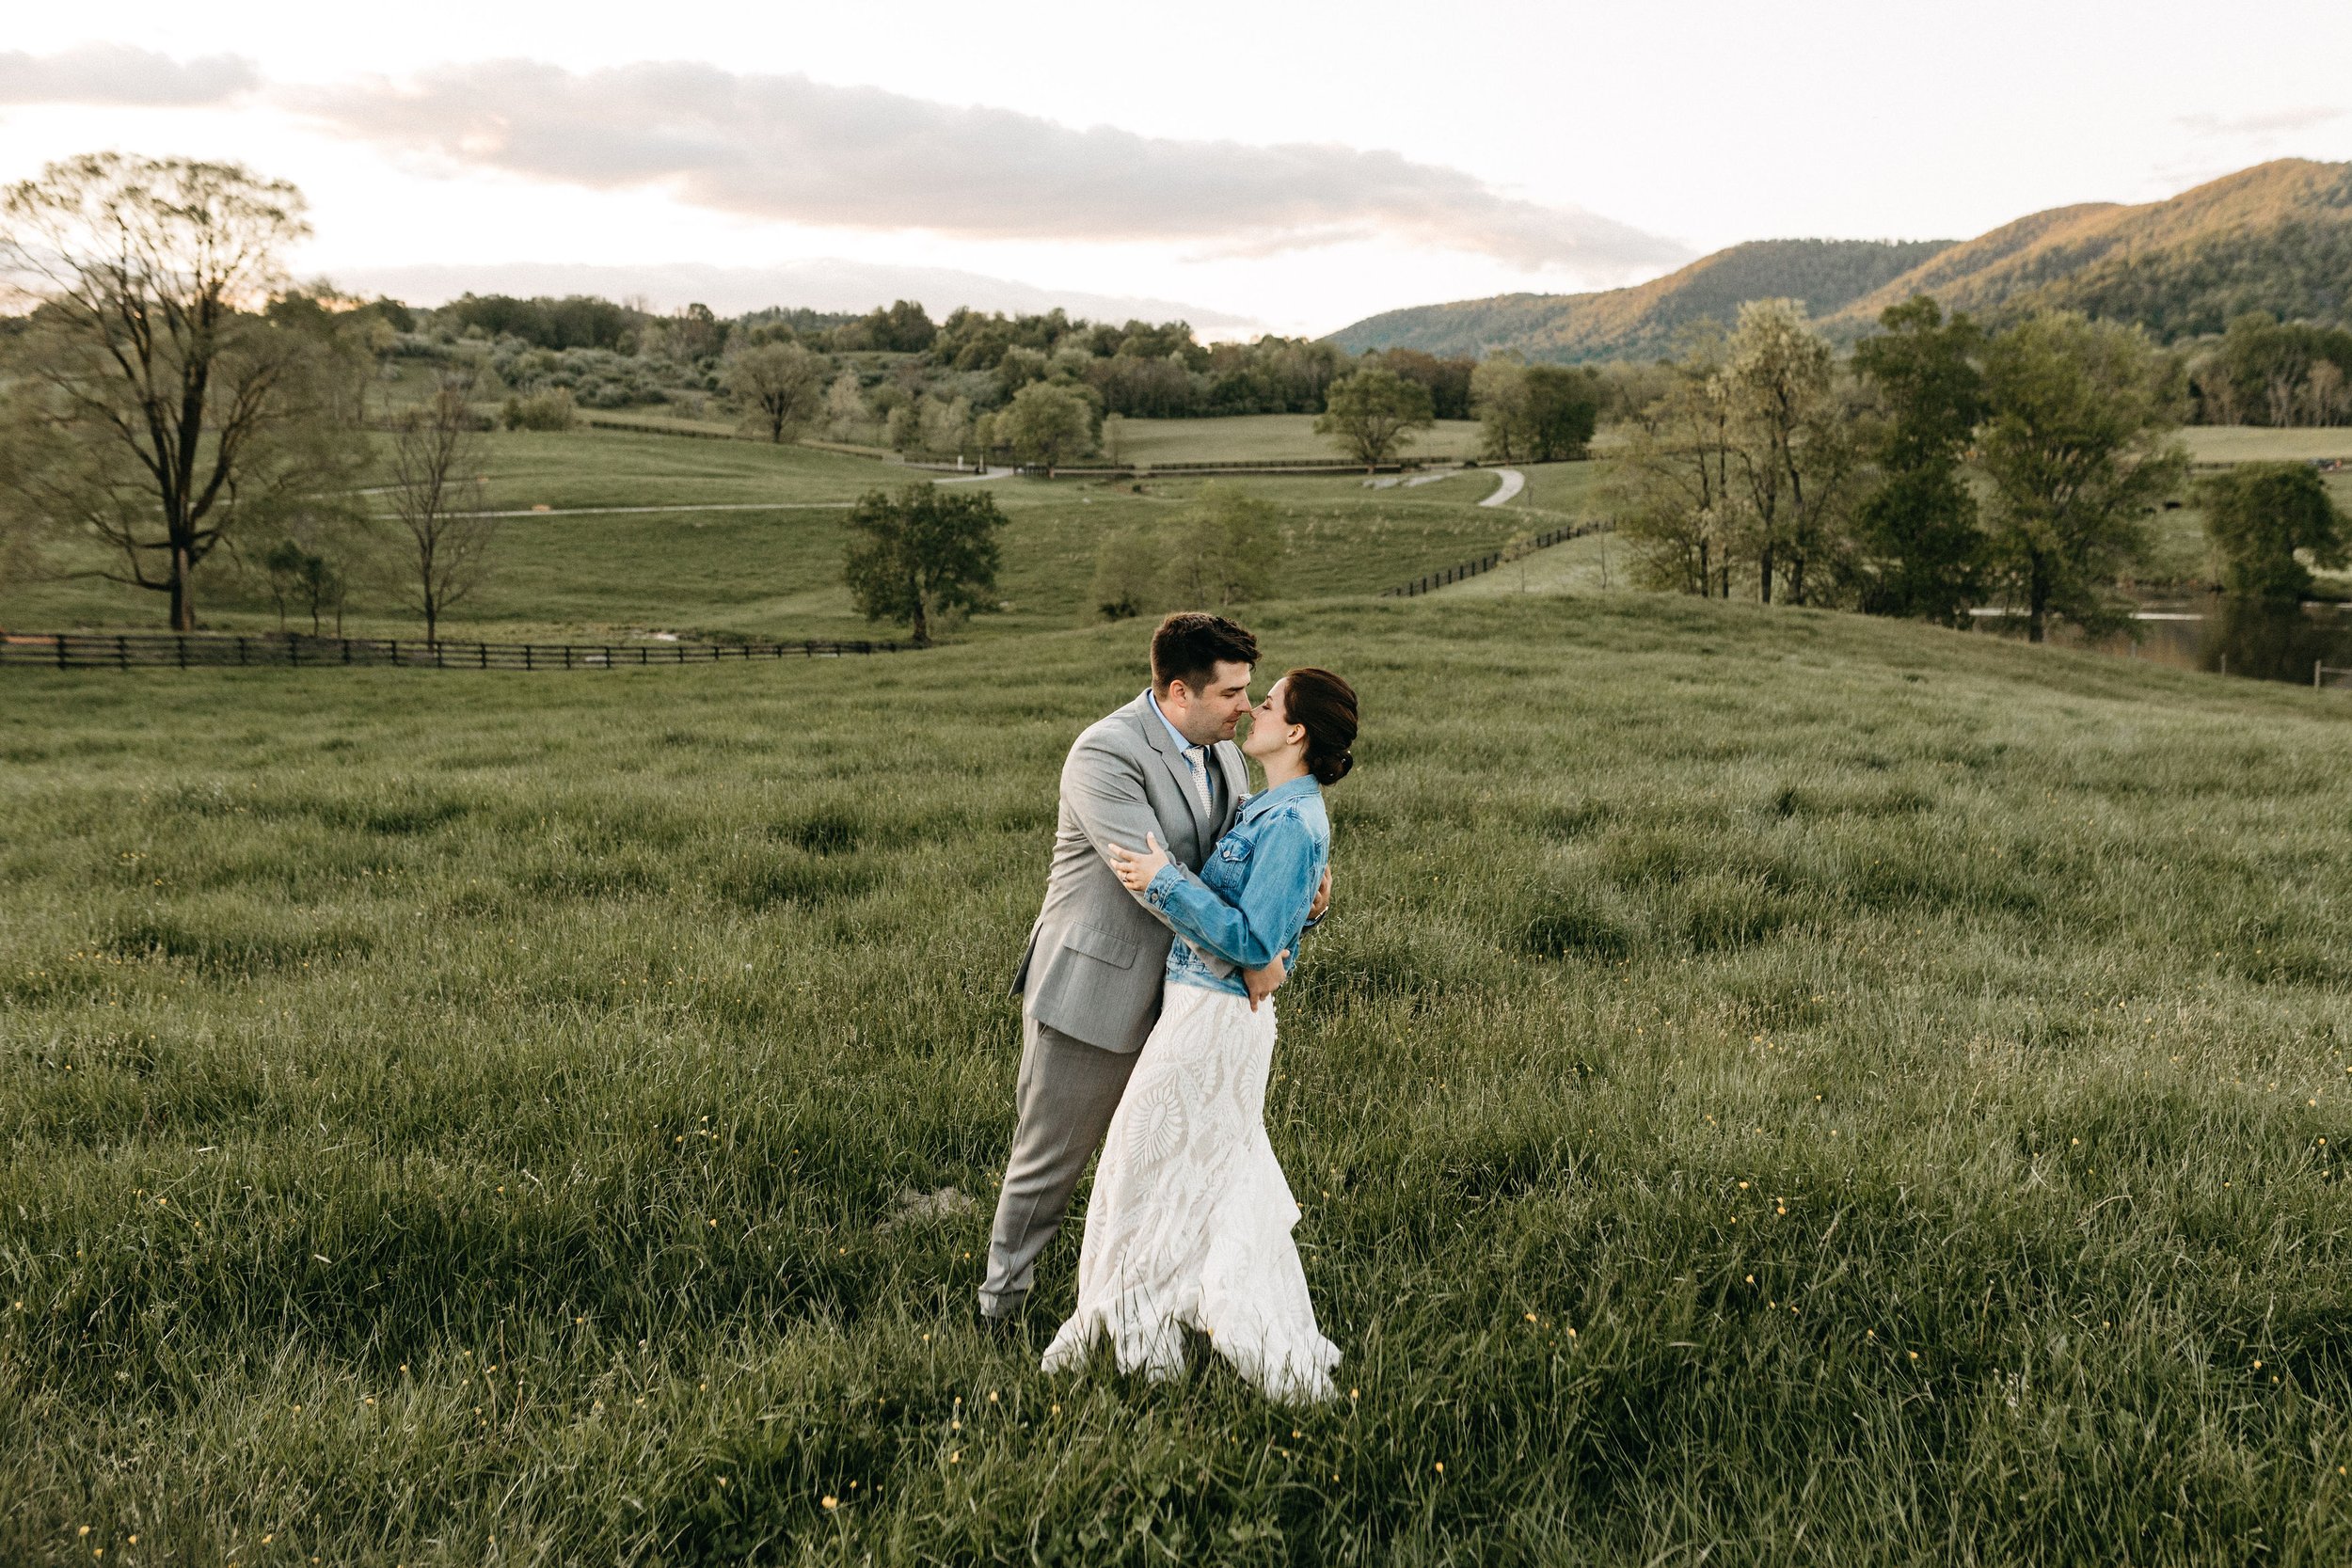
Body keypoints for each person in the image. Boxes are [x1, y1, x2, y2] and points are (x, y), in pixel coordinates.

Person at [980, 614, 1326, 1328]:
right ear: (1178, 690)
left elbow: (1239, 871)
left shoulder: (1225, 753)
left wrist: (1299, 907)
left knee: (1164, 1167)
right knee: (1049, 1164)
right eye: (1231, 692)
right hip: (1095, 992)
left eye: (1250, 691)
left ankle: (1160, 1300)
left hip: (1186, 1002)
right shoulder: (1104, 754)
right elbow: (1148, 877)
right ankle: (999, 1306)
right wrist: (1250, 955)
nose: (1245, 706)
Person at [1040, 668, 1358, 1402]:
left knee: (1140, 1169)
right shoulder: (1267, 806)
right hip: (1201, 1009)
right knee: (1189, 1178)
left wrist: (1163, 878)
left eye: (1269, 703)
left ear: (1298, 730)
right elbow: (1269, 929)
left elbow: (1252, 940)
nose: (1255, 710)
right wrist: (1292, 928)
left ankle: (1143, 1334)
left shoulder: (1293, 821)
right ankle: (1151, 1326)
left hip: (1213, 1021)